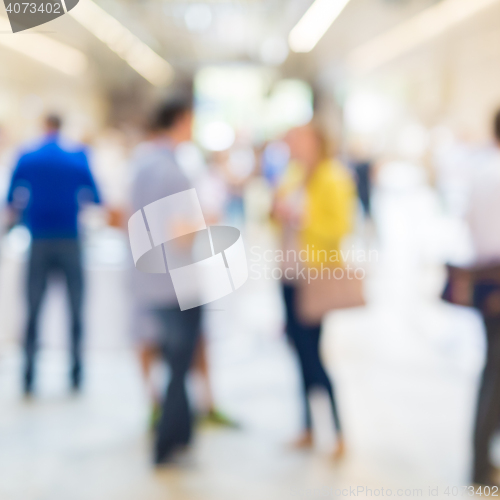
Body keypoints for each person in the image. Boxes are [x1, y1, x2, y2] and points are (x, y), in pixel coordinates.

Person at [272, 123, 356, 459]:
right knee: (298, 351)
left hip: (315, 275)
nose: (293, 144)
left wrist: (304, 219)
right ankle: (307, 426)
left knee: (312, 354)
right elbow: (275, 214)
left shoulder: (333, 177)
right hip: (289, 274)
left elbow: (340, 228)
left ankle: (337, 430)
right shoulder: (292, 175)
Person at [6, 114, 101, 395]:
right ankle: (75, 373)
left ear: (43, 126)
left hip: (39, 240)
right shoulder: (77, 157)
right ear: (62, 127)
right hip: (70, 239)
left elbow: (11, 198)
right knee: (75, 308)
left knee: (33, 309)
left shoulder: (27, 156)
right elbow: (95, 196)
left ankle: (28, 375)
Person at [130, 97, 202, 465]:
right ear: (181, 120)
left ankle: (183, 433)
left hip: (148, 279)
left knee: (171, 361)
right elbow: (181, 235)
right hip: (178, 283)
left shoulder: (139, 165)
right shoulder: (175, 171)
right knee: (178, 365)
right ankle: (167, 443)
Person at [468, 110, 500, 486]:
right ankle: (480, 468)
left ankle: (481, 460)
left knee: (491, 372)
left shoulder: (481, 170)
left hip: (482, 280)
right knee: (495, 375)